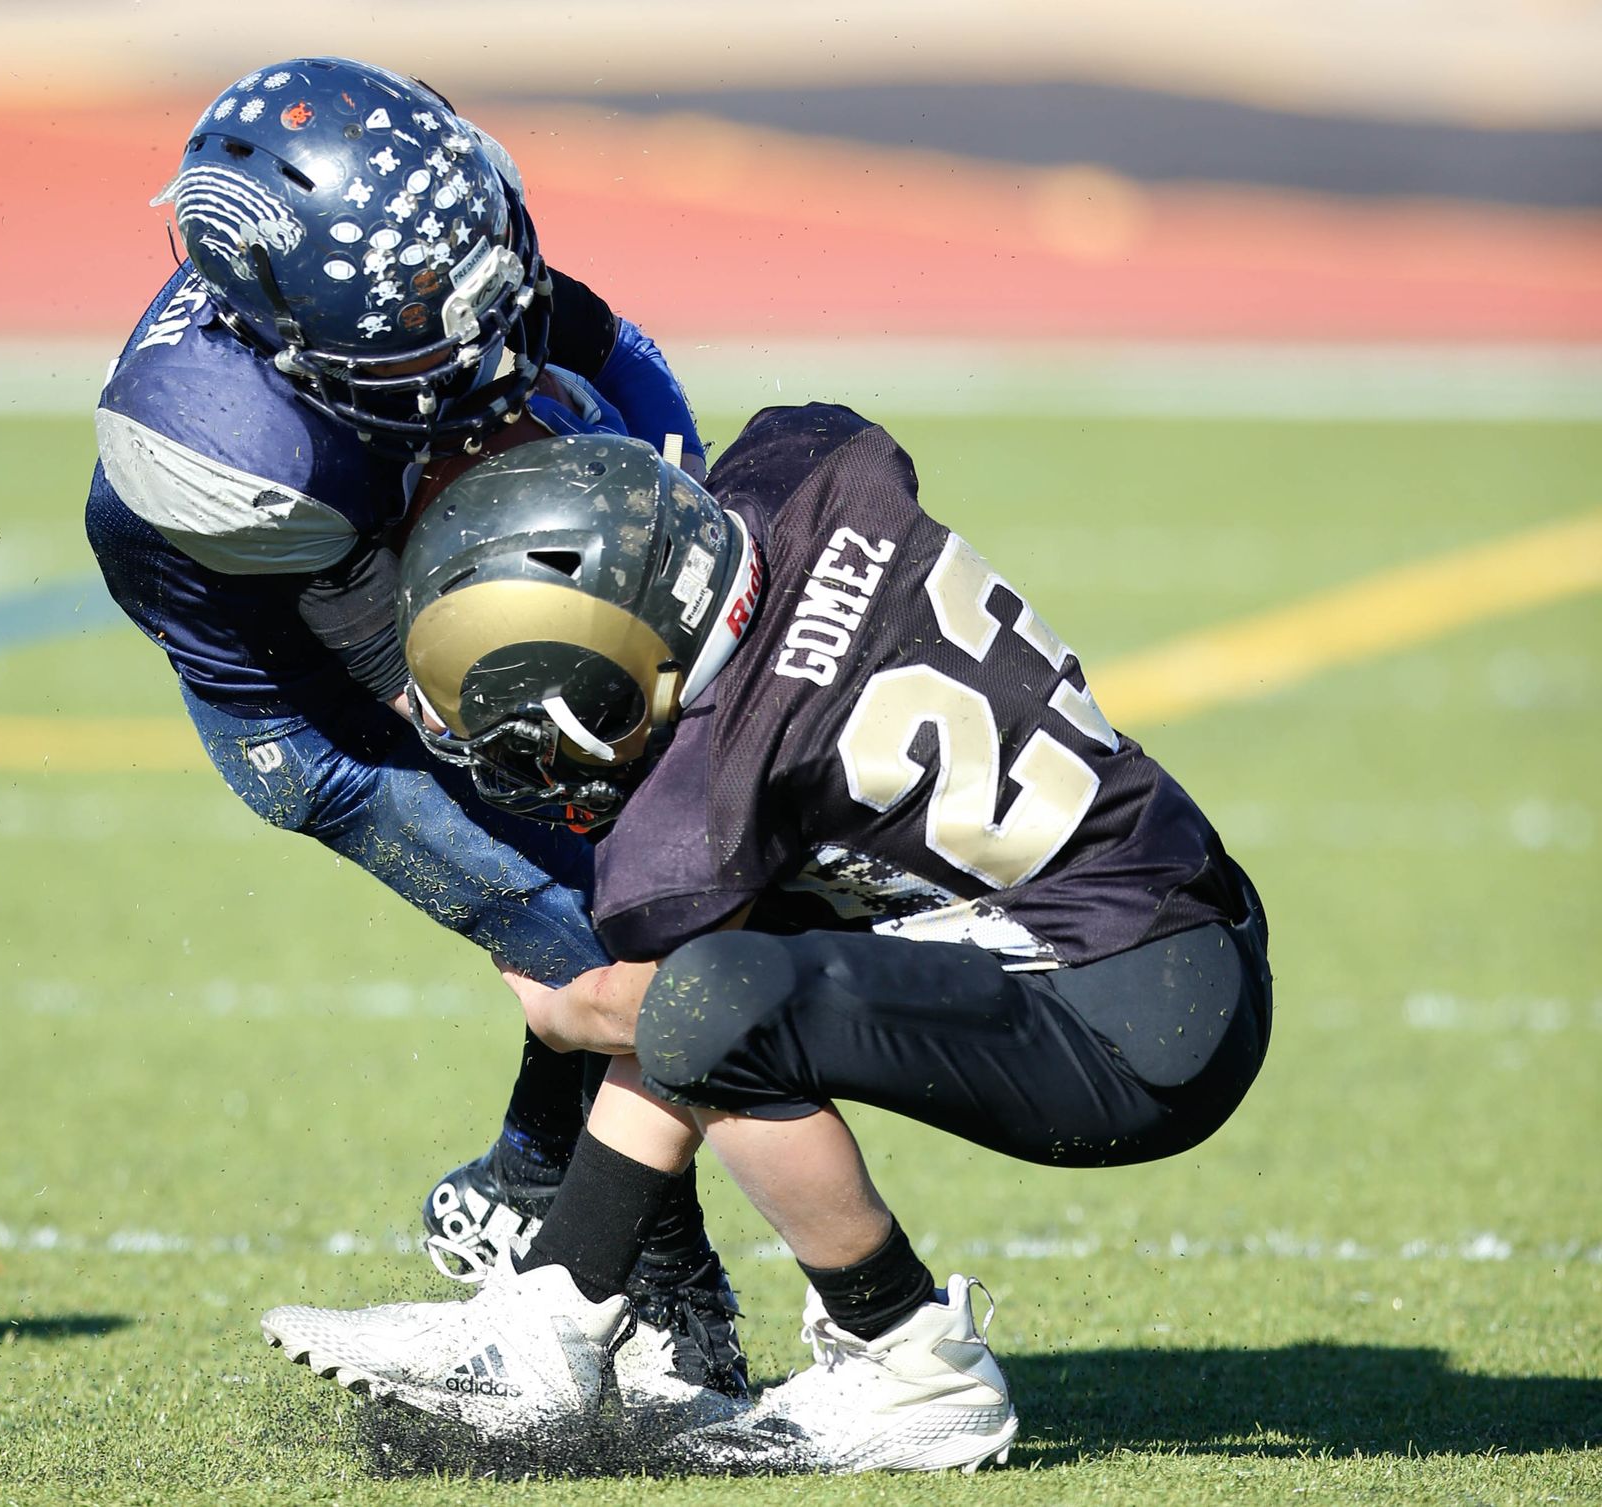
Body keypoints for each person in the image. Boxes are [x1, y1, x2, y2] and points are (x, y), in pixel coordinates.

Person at [259, 406, 1273, 1473]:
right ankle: (556, 1307)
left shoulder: (713, 792)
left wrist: (563, 1008)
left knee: (709, 1002)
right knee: (741, 954)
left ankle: (909, 1362)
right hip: (1160, 910)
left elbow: (655, 999)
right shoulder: (803, 473)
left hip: (1136, 1019)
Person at [83, 57, 743, 1404]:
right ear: (306, 342)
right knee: (606, 939)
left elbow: (608, 354)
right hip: (307, 697)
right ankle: (666, 1303)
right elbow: (405, 685)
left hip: (390, 522)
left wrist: (667, 533)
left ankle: (528, 1181)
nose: (485, 314)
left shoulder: (412, 255)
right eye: (432, 318)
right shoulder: (237, 454)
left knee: (684, 855)